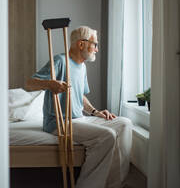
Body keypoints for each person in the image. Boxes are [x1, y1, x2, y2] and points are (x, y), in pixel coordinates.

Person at [25, 26, 132, 188]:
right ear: (81, 44)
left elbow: (80, 96)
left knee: (125, 123)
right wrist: (50, 83)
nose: (97, 49)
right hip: (59, 122)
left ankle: (115, 183)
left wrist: (95, 112)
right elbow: (29, 83)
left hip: (79, 118)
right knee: (107, 136)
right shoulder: (60, 61)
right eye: (94, 44)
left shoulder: (82, 67)